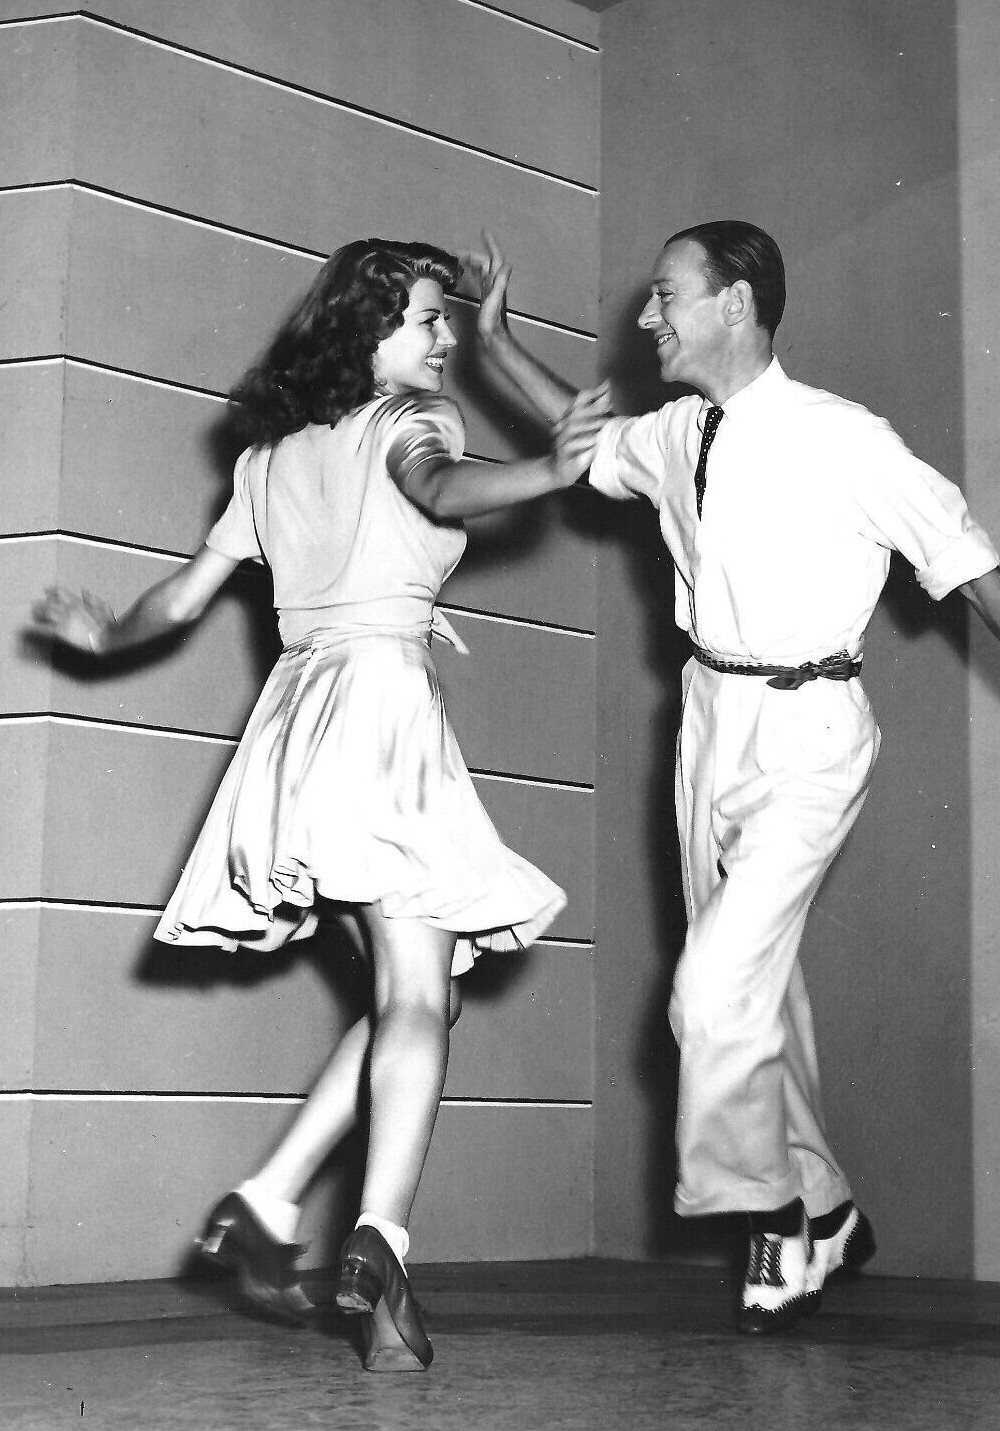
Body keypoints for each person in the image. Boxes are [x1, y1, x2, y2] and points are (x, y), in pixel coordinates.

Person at [469, 222, 1000, 1335]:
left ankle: (773, 1211)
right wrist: (496, 343)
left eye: (666, 295)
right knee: (758, 991)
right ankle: (830, 1208)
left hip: (809, 732)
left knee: (712, 992)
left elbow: (970, 565)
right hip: (707, 723)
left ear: (735, 303)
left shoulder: (846, 440)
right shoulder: (677, 432)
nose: (646, 317)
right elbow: (588, 438)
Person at [31, 237, 611, 1372]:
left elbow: (179, 602)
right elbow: (435, 484)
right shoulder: (410, 419)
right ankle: (380, 1237)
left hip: (295, 728)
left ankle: (267, 1201)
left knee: (423, 993)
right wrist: (545, 472)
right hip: (377, 706)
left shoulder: (269, 458)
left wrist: (102, 633)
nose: (443, 338)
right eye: (427, 319)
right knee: (418, 994)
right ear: (368, 333)